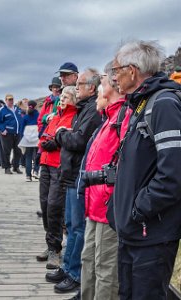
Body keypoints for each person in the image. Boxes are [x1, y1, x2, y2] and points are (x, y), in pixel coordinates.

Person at [110, 40, 181, 300]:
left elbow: (173, 174)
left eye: (116, 70)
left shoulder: (163, 104)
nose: (113, 76)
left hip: (152, 235)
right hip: (134, 233)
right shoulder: (141, 104)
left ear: (132, 70)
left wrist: (139, 209)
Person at [46, 68, 101, 295]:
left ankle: (75, 273)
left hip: (78, 175)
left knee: (77, 228)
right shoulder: (83, 109)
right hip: (70, 174)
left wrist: (60, 134)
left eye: (79, 85)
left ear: (92, 87)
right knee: (71, 225)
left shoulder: (92, 112)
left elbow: (78, 140)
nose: (76, 89)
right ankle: (67, 267)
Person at [79, 62, 132, 300]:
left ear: (113, 83)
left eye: (102, 80)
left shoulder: (124, 115)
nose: (99, 85)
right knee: (89, 260)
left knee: (105, 269)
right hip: (95, 204)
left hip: (107, 205)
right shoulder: (110, 117)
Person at [37, 86, 77, 268]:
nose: (62, 99)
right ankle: (51, 243)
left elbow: (71, 141)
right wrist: (44, 144)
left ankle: (55, 248)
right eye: (62, 96)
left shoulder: (74, 116)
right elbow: (43, 136)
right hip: (45, 164)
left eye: (67, 96)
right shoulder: (56, 115)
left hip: (58, 166)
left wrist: (56, 144)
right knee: (45, 204)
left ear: (74, 100)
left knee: (54, 205)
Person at [0, 93, 23, 174]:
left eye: (12, 99)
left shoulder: (18, 109)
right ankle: (7, 168)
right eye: (9, 100)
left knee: (18, 151)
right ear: (6, 100)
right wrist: (2, 130)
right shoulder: (2, 110)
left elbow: (21, 119)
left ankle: (16, 167)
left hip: (17, 133)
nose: (11, 101)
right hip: (7, 134)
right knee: (6, 151)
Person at [20, 100, 40, 181]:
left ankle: (28, 176)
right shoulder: (39, 115)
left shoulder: (25, 117)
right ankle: (35, 171)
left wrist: (22, 138)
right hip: (37, 137)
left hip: (28, 138)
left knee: (28, 157)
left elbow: (21, 129)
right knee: (37, 156)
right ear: (35, 106)